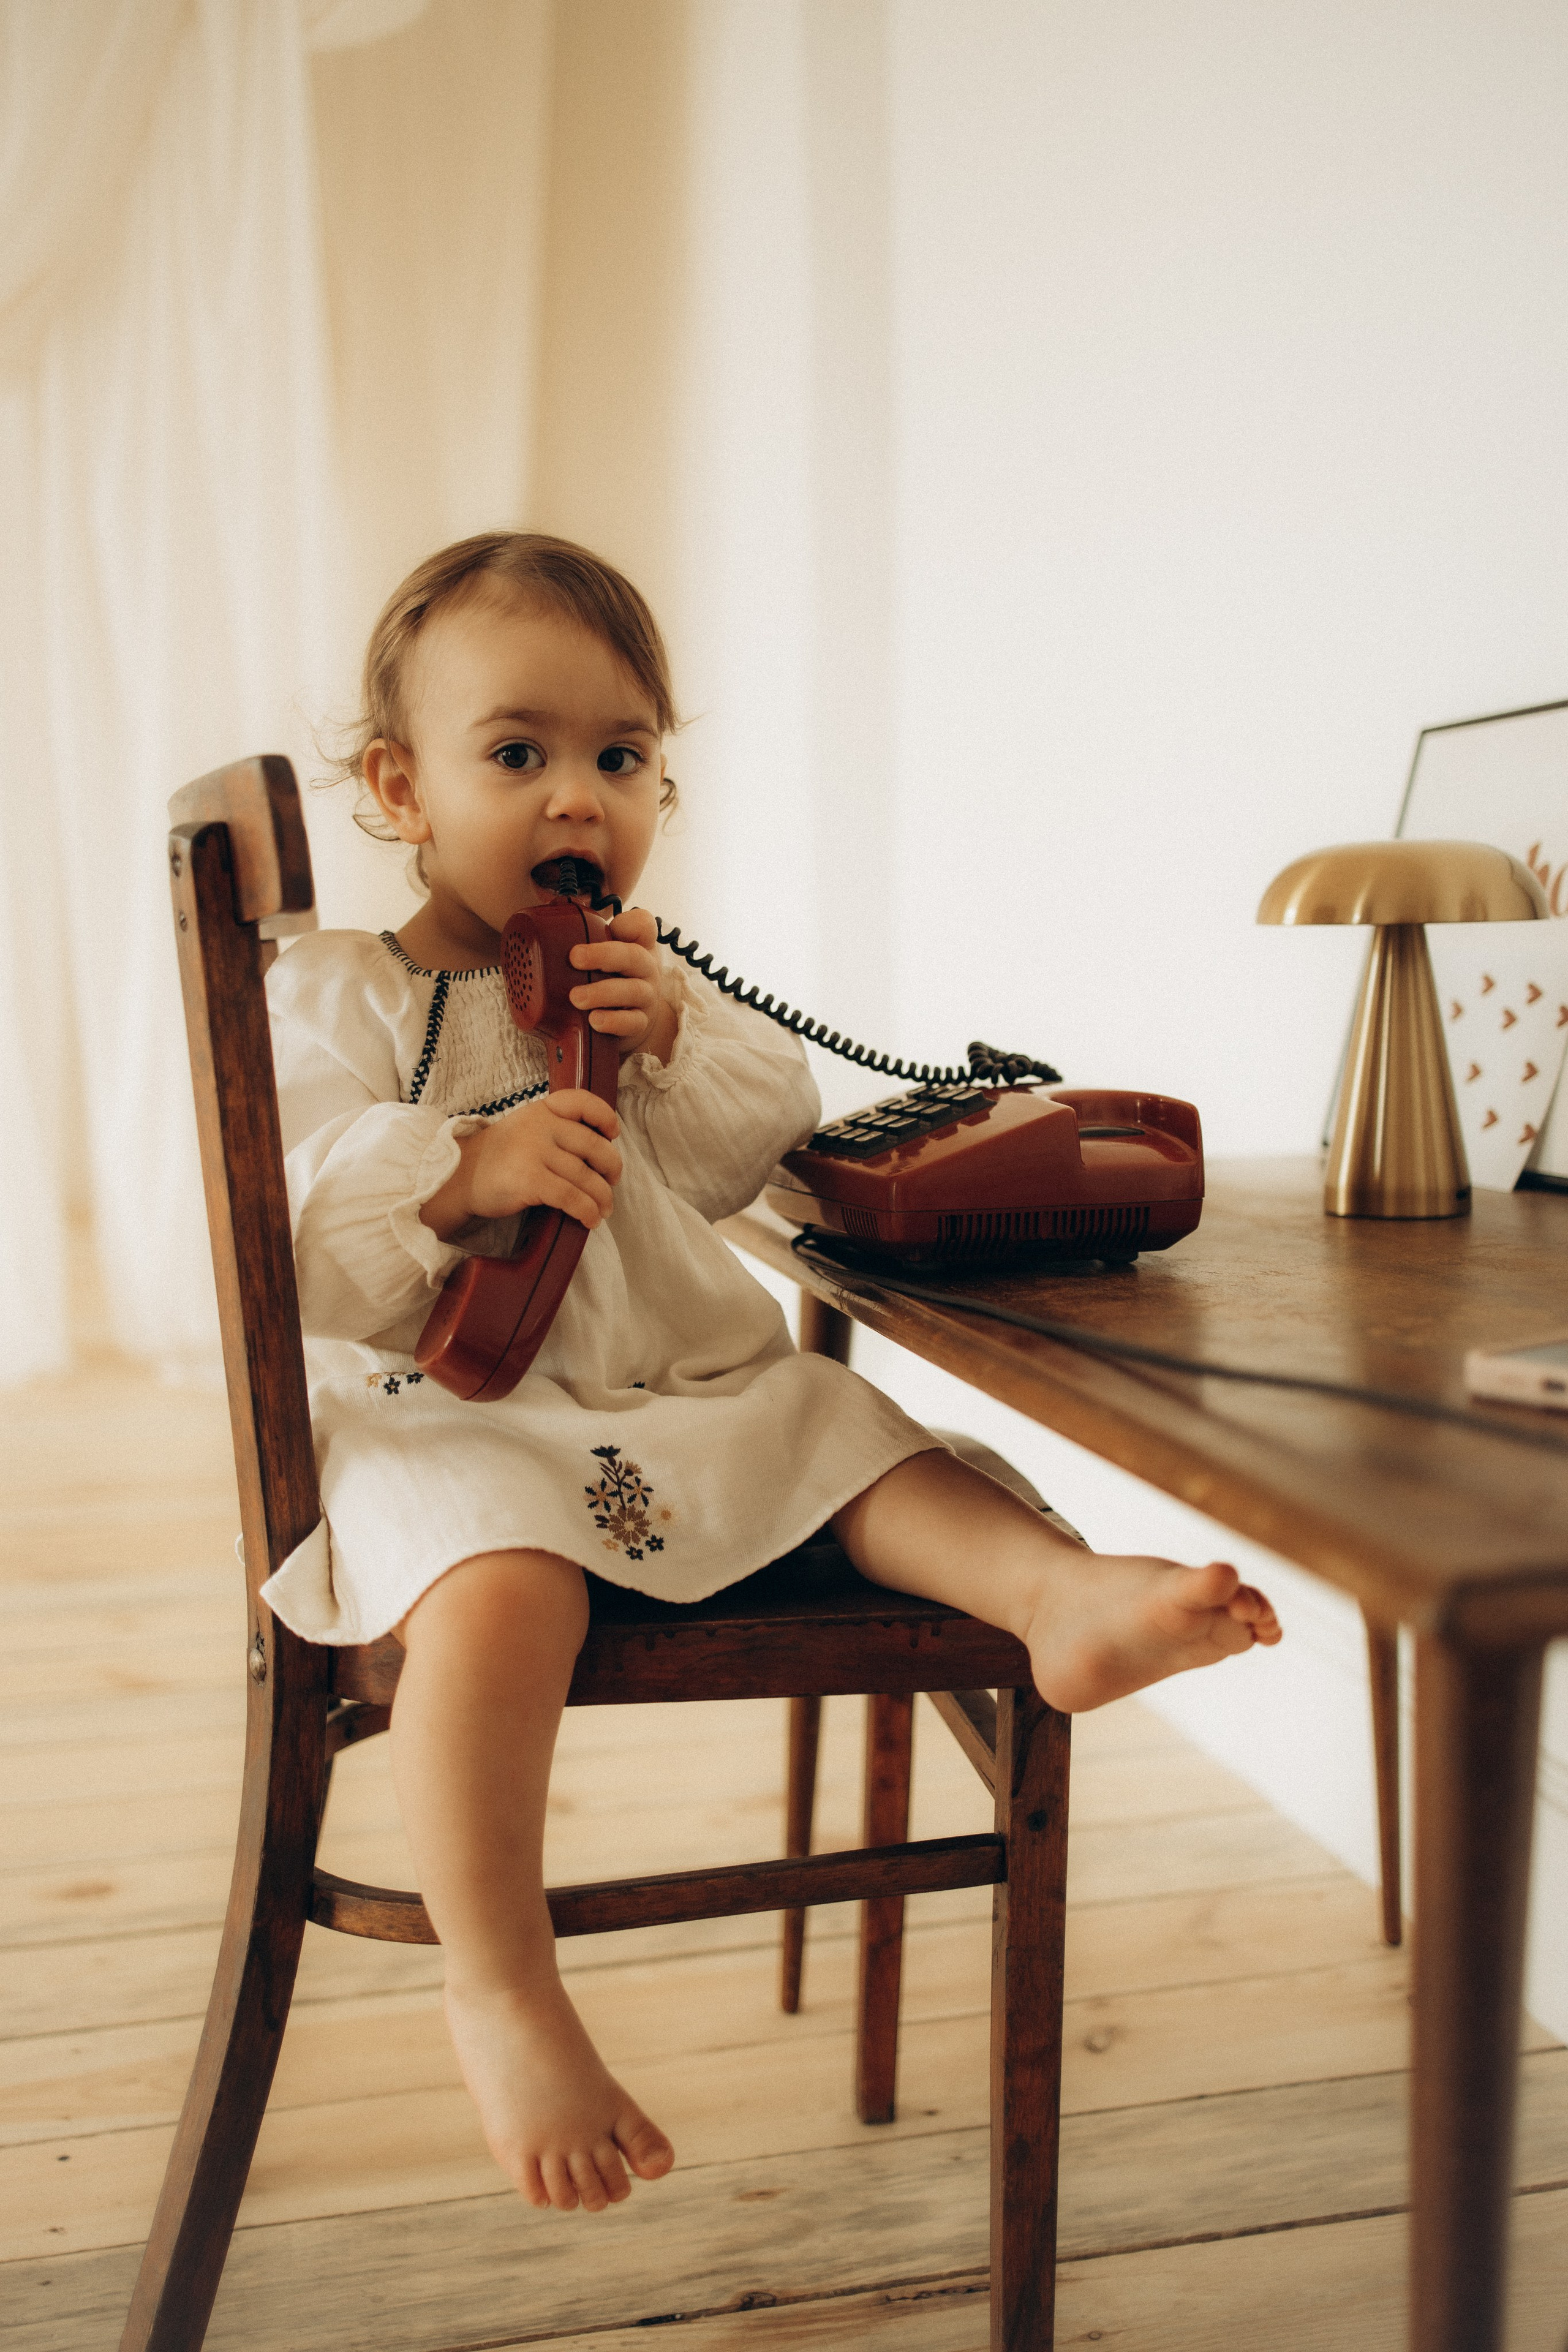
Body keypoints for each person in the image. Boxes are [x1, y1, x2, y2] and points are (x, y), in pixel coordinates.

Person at [263, 530, 1281, 2223]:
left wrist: (676, 1032)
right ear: (404, 789)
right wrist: (459, 1170)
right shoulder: (353, 996)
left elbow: (761, 1154)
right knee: (496, 1584)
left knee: (852, 1430)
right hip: (459, 1421)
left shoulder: (635, 988)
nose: (577, 800)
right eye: (517, 754)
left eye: (621, 756)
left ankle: (1058, 1595)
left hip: (680, 1395)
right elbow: (290, 1226)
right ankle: (503, 1984)